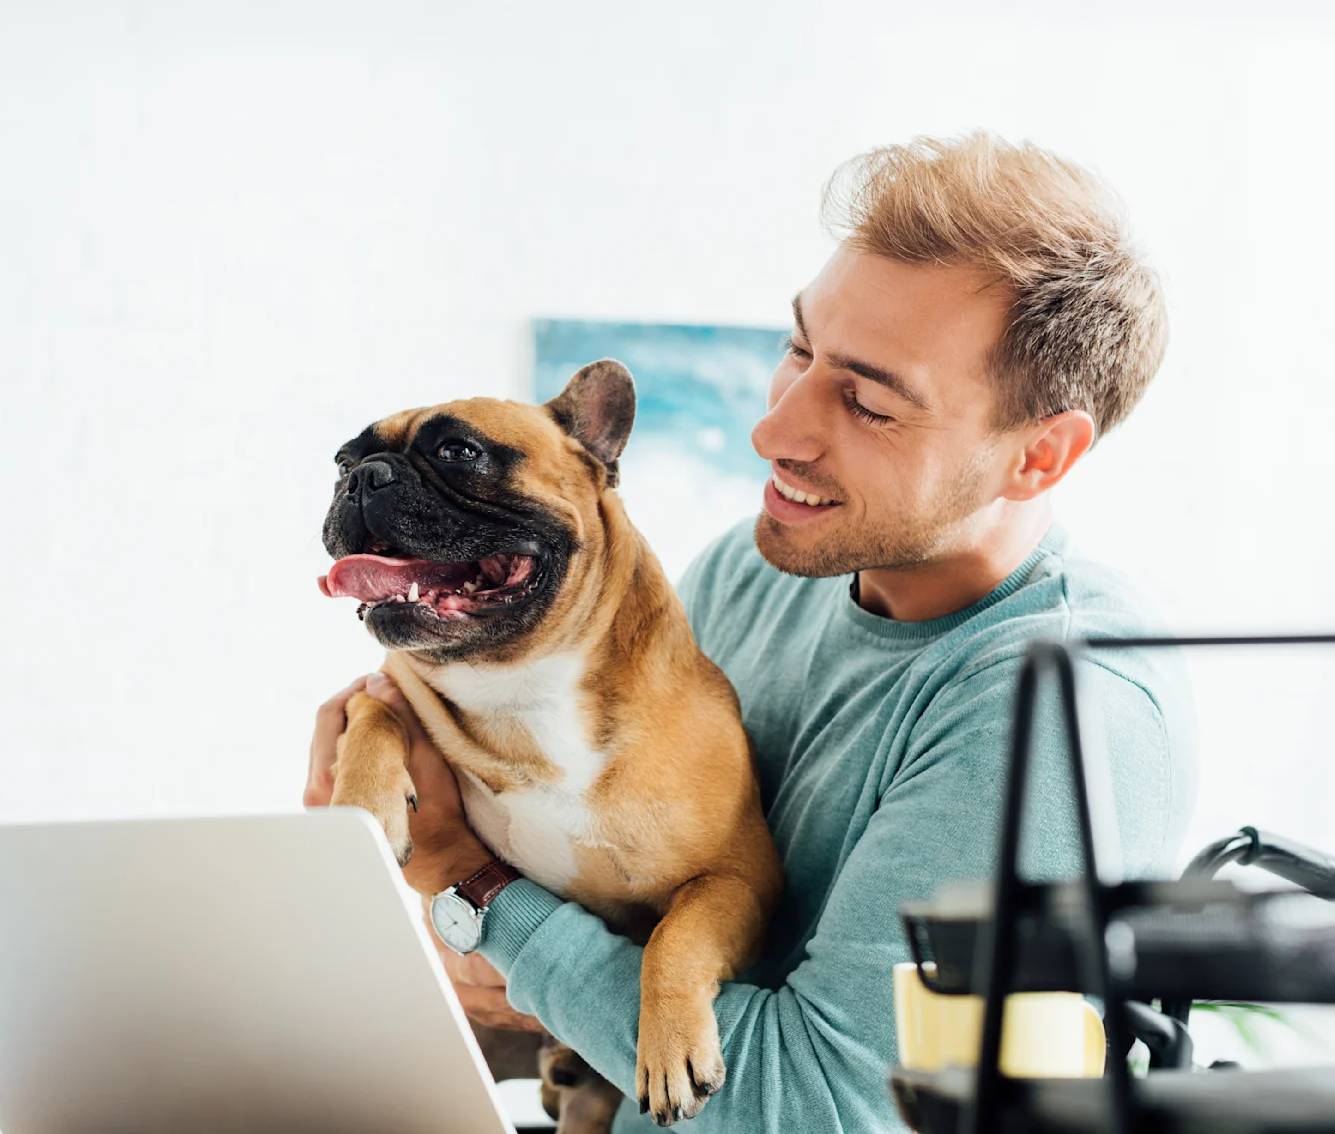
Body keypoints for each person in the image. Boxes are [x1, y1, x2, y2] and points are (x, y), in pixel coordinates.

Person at [305, 132, 1197, 1132]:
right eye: (800, 349)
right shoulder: (753, 570)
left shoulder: (1055, 712)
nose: (775, 430)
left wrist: (471, 883)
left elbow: (827, 1113)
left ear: (1040, 456)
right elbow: (580, 969)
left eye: (864, 400)